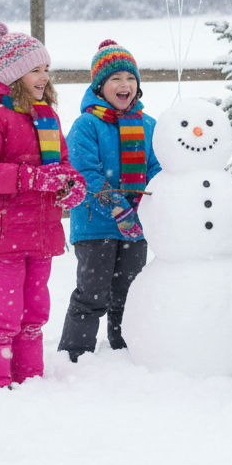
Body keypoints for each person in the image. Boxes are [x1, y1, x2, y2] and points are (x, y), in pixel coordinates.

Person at [0, 22, 85, 387]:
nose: (44, 77)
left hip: (41, 232)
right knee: (3, 314)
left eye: (46, 69)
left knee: (34, 314)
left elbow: (61, 163)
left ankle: (30, 380)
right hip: (1, 235)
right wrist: (32, 178)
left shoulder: (46, 115)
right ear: (14, 74)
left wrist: (71, 184)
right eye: (36, 70)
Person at [58, 40, 162, 362]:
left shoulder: (148, 125)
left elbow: (157, 169)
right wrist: (118, 206)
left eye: (130, 79)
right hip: (95, 225)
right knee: (92, 294)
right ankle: (75, 355)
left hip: (135, 227)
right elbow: (84, 173)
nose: (125, 85)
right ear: (100, 86)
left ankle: (124, 351)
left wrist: (161, 196)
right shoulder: (86, 125)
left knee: (128, 295)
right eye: (116, 79)